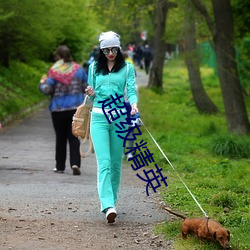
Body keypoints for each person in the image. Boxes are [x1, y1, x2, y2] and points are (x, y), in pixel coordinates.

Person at [85, 31, 138, 223]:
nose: (110, 53)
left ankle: (112, 201)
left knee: (116, 163)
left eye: (114, 49)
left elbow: (131, 90)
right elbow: (91, 96)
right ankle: (107, 205)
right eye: (106, 50)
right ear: (101, 50)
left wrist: (133, 104)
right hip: (98, 118)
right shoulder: (93, 68)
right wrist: (90, 92)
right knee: (104, 162)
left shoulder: (127, 68)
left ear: (119, 48)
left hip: (119, 118)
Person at [39, 45, 88, 175]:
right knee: (74, 137)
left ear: (58, 57)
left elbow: (47, 90)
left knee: (60, 138)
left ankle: (60, 166)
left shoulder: (54, 71)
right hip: (75, 109)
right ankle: (75, 163)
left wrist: (42, 83)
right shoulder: (79, 70)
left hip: (58, 109)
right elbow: (86, 87)